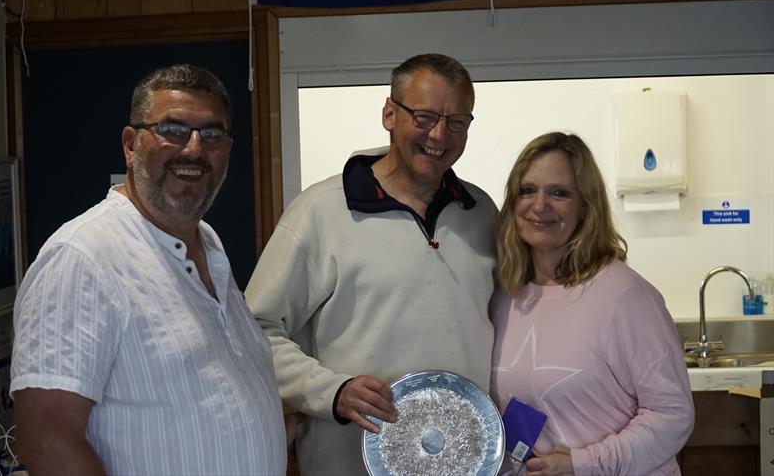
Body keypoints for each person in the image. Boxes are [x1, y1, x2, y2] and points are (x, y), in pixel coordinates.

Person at [10, 64, 287, 475]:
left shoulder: (209, 244)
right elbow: (47, 442)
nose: (193, 149)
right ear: (130, 144)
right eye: (172, 130)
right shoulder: (83, 257)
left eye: (211, 135)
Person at [245, 53, 497, 475]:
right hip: (346, 463)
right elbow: (253, 329)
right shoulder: (321, 211)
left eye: (457, 122)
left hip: (464, 464)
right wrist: (332, 391)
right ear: (389, 114)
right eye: (424, 116)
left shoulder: (482, 212)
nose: (439, 134)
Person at [490, 132, 694, 476]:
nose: (539, 205)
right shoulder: (504, 295)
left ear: (586, 205)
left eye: (559, 193)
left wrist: (584, 464)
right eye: (527, 190)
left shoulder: (625, 296)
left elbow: (673, 414)